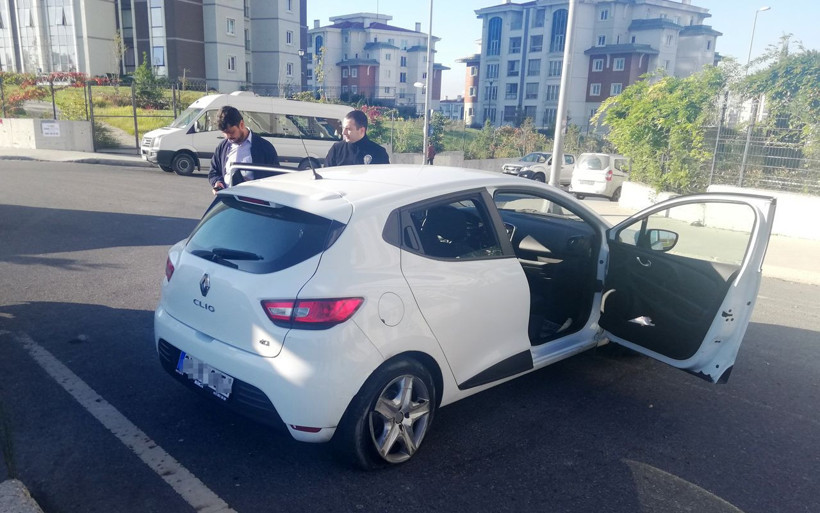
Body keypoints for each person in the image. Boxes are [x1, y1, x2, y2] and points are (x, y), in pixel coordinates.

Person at [208, 106, 279, 194]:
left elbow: (275, 178)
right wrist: (218, 183)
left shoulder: (265, 147)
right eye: (225, 133)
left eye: (231, 132)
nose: (228, 137)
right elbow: (213, 172)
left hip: (253, 203)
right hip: (228, 201)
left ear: (241, 124)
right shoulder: (222, 147)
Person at [324, 110, 390, 167]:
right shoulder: (336, 150)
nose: (343, 132)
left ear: (362, 130)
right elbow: (326, 174)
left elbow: (383, 177)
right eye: (343, 128)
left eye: (348, 129)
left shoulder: (378, 153)